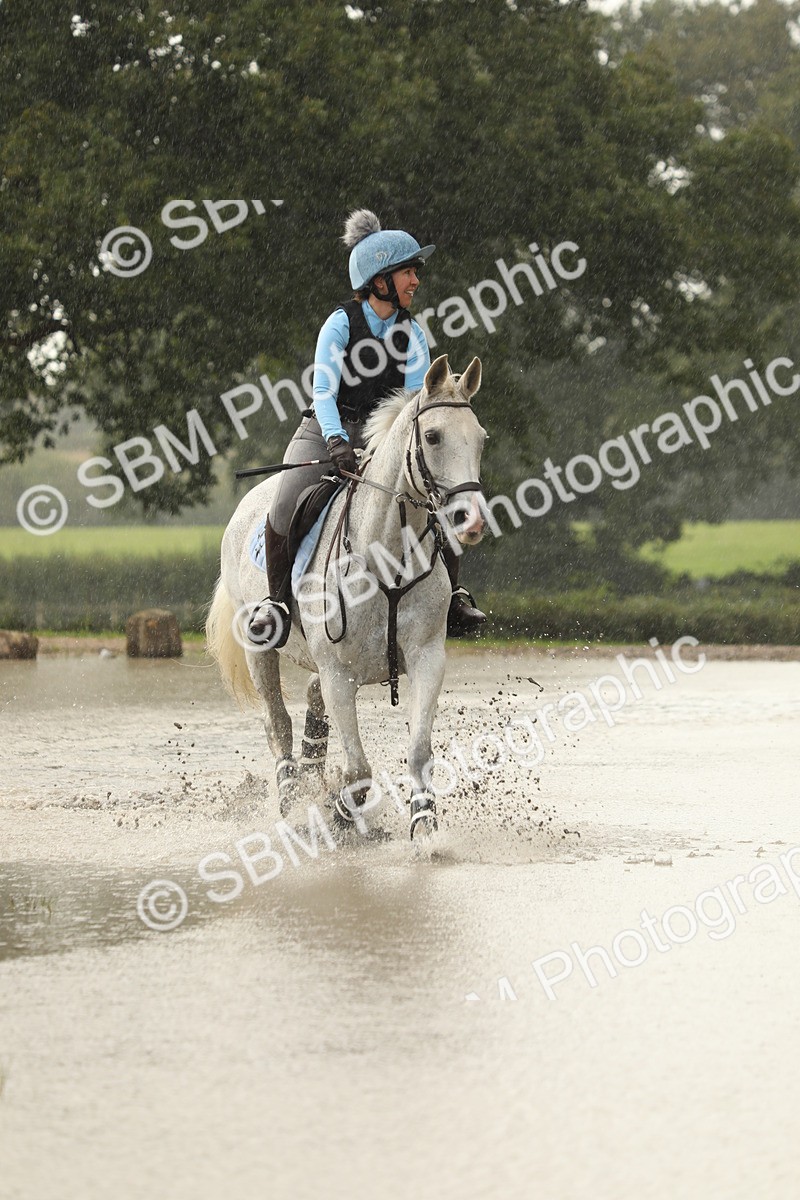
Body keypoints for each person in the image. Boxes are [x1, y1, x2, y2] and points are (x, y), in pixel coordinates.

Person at [247, 208, 486, 648]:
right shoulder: (339, 324)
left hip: (387, 438)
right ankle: (275, 603)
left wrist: (399, 449)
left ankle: (451, 596)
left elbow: (417, 405)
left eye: (415, 272)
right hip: (327, 428)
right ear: (380, 280)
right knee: (285, 502)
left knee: (439, 498)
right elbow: (323, 391)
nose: (415, 281)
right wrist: (336, 440)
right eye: (408, 272)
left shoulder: (412, 334)